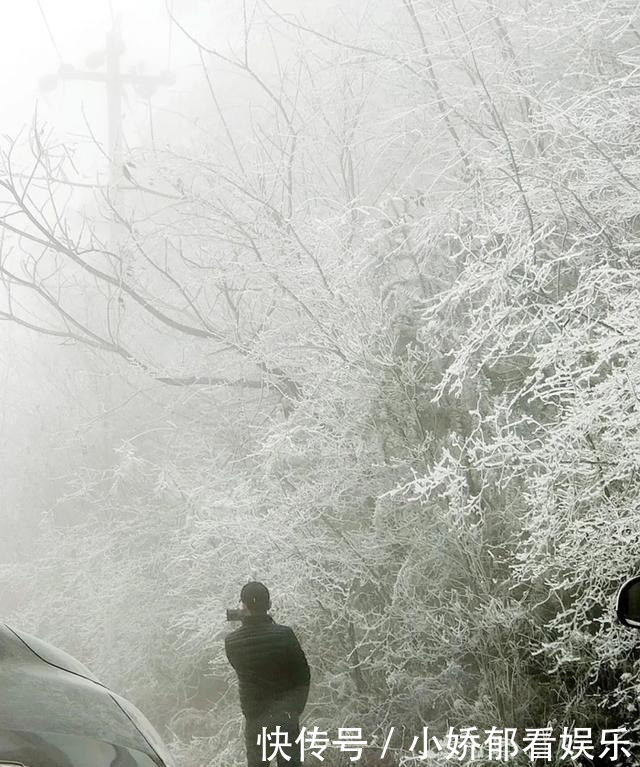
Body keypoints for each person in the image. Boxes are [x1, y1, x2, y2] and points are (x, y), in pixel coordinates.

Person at [225, 581, 311, 767]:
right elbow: (303, 675)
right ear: (269, 605)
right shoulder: (285, 635)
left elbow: (240, 665)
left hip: (256, 721)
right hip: (285, 718)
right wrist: (294, 710)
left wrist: (246, 619)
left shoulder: (231, 642)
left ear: (243, 605)